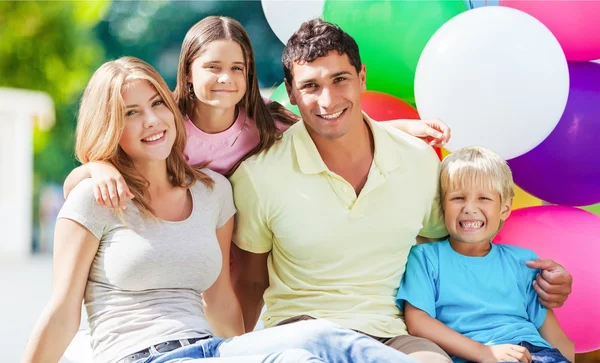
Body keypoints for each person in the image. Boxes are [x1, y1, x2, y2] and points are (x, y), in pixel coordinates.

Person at [22, 57, 421, 363]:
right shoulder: (95, 197)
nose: (151, 120)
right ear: (109, 125)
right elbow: (62, 311)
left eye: (157, 104)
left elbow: (222, 300)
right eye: (130, 113)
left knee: (318, 340)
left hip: (211, 350)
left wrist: (253, 351)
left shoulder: (212, 192)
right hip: (140, 354)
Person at [229, 19, 574, 363]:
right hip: (300, 332)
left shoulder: (417, 159)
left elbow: (454, 251)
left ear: (361, 77)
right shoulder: (260, 175)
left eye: (340, 79)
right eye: (310, 86)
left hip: (392, 334)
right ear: (291, 92)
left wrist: (536, 282)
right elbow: (249, 283)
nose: (327, 99)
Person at [62, 16, 450, 207]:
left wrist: (396, 127)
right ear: (188, 71)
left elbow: (325, 124)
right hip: (184, 237)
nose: (225, 79)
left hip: (241, 238)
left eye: (237, 69)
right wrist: (100, 167)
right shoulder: (165, 123)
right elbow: (75, 181)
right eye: (212, 68)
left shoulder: (264, 120)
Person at [396, 146, 574, 363]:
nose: (470, 208)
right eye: (458, 198)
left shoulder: (523, 262)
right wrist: (484, 352)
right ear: (443, 207)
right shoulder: (425, 258)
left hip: (537, 354)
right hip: (476, 354)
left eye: (484, 198)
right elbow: (418, 322)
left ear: (505, 209)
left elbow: (556, 339)